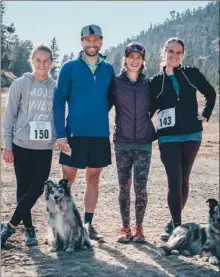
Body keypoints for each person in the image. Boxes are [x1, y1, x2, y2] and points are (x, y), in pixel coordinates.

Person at [149, 37, 216, 241]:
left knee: (184, 179)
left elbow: (210, 93)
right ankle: (177, 227)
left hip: (192, 135)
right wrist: (154, 133)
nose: (174, 55)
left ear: (183, 55)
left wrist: (205, 114)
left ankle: (172, 222)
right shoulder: (156, 81)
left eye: (178, 52)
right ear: (164, 52)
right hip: (168, 137)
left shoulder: (191, 73)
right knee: (174, 180)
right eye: (170, 51)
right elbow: (147, 110)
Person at [53, 24, 115, 242]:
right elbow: (59, 101)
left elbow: (109, 100)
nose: (91, 44)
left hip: (99, 134)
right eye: (87, 40)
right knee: (67, 179)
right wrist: (61, 134)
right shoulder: (68, 68)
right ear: (81, 42)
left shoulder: (108, 69)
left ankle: (88, 223)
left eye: (95, 40)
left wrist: (95, 114)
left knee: (94, 177)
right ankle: (61, 224)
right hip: (73, 134)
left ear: (101, 41)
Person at [1, 44, 56, 247]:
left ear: (51, 62)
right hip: (21, 145)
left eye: (46, 60)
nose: (42, 64)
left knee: (38, 188)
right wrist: (7, 145)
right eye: (38, 60)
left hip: (44, 147)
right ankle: (29, 229)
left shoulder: (55, 87)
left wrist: (61, 138)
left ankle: (10, 226)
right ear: (31, 61)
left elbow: (59, 116)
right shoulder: (21, 84)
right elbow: (9, 117)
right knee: (23, 188)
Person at [109, 42, 157, 242]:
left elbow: (155, 106)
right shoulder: (116, 83)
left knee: (141, 188)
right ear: (125, 59)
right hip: (122, 142)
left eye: (139, 57)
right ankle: (125, 228)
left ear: (143, 61)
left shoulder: (149, 84)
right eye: (131, 57)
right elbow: (103, 105)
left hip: (144, 143)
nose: (135, 61)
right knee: (124, 187)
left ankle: (139, 229)